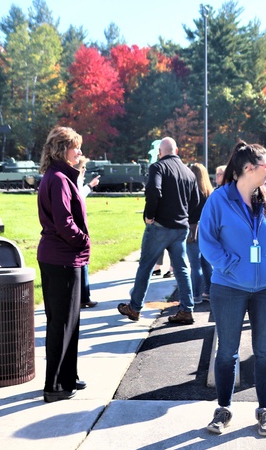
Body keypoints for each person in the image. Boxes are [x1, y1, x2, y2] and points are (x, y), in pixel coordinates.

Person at [199, 142, 266, 436]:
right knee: (227, 352)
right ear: (249, 168)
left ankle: (265, 410)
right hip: (228, 288)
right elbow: (207, 240)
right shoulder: (218, 200)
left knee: (265, 351)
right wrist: (228, 265)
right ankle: (223, 409)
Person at [118, 137, 200, 324]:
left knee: (146, 266)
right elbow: (196, 201)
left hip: (160, 226)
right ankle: (187, 309)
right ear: (176, 151)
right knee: (181, 269)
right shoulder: (189, 172)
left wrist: (149, 215)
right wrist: (188, 219)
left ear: (160, 153)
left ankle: (135, 307)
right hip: (181, 227)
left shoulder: (158, 167)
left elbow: (154, 190)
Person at [38, 126, 91, 402]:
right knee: (60, 323)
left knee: (69, 321)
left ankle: (68, 375)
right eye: (76, 147)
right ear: (62, 149)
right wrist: (83, 241)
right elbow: (64, 223)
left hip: (62, 257)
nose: (80, 152)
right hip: (61, 258)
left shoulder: (61, 175)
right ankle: (55, 385)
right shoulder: (58, 178)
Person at [188, 163, 215, 304]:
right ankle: (209, 291)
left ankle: (196, 295)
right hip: (207, 230)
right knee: (206, 264)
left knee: (195, 265)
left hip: (192, 231)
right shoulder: (210, 193)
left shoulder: (191, 192)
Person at [77, 156, 101, 309]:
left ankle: (84, 296)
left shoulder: (74, 180)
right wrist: (90, 186)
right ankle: (84, 297)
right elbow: (79, 197)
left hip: (79, 225)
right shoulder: (74, 180)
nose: (84, 170)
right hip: (78, 227)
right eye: (83, 168)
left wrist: (90, 186)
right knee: (83, 262)